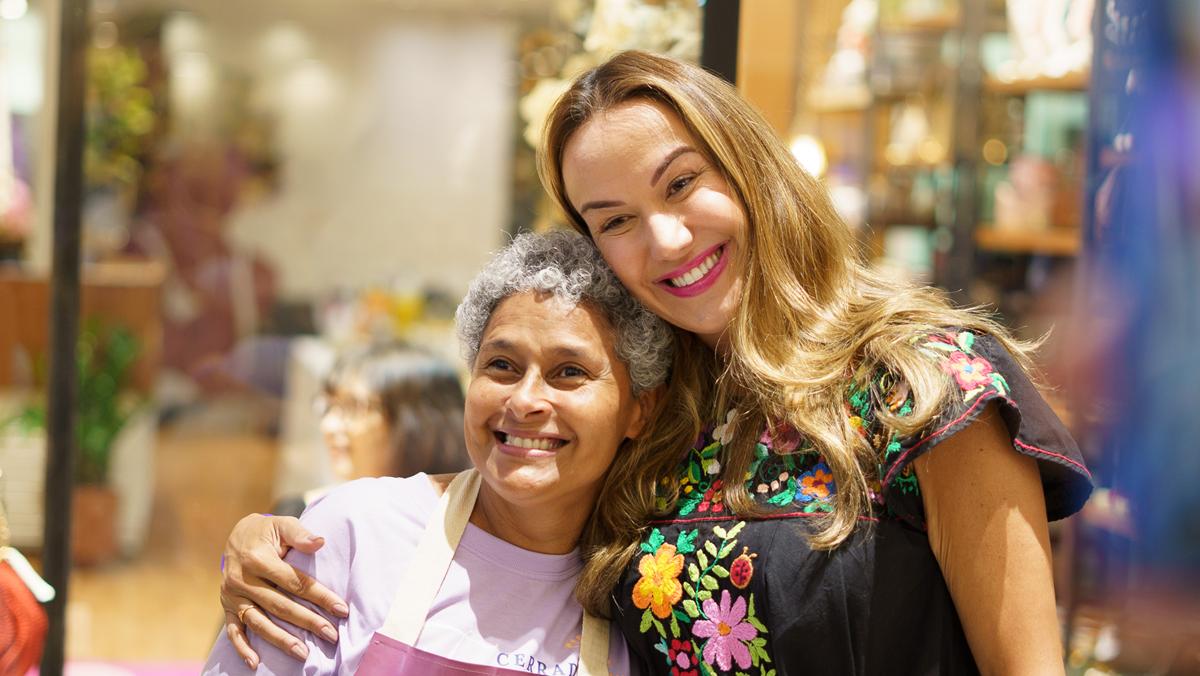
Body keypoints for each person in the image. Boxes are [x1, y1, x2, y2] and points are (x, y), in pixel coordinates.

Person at [218, 51, 1092, 674]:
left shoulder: (927, 383)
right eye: (615, 220)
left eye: (680, 184)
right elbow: (510, 491)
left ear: (749, 170)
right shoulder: (664, 415)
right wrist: (294, 536)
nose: (666, 240)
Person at [204, 231, 671, 673]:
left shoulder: (647, 598)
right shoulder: (352, 533)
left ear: (641, 410)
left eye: (569, 372)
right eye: (502, 365)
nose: (524, 401)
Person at [273, 342, 470, 517]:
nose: (329, 425)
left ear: (420, 423)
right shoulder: (301, 517)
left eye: (352, 406)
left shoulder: (461, 525)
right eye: (329, 406)